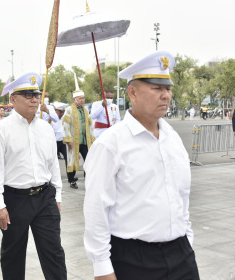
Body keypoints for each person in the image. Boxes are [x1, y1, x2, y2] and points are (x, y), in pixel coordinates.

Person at [83, 51, 200, 280]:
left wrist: (187, 237)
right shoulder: (110, 144)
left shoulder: (172, 138)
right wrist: (102, 268)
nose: (165, 95)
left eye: (167, 88)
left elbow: (181, 195)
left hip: (181, 254)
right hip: (134, 259)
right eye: (157, 89)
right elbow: (96, 209)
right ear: (133, 93)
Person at [0, 72, 67, 280]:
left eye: (36, 94)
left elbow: (53, 165)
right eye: (27, 94)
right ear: (13, 99)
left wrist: (57, 196)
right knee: (13, 255)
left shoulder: (45, 129)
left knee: (54, 253)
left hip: (45, 197)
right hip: (15, 200)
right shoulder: (1, 130)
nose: (34, 99)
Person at [63, 75, 95, 189]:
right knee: (72, 160)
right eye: (80, 98)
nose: (82, 100)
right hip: (73, 141)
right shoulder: (69, 110)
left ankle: (88, 180)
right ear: (74, 100)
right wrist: (68, 140)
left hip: (85, 140)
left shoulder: (86, 110)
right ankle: (71, 181)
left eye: (83, 98)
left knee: (89, 160)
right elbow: (65, 125)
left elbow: (90, 124)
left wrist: (92, 138)